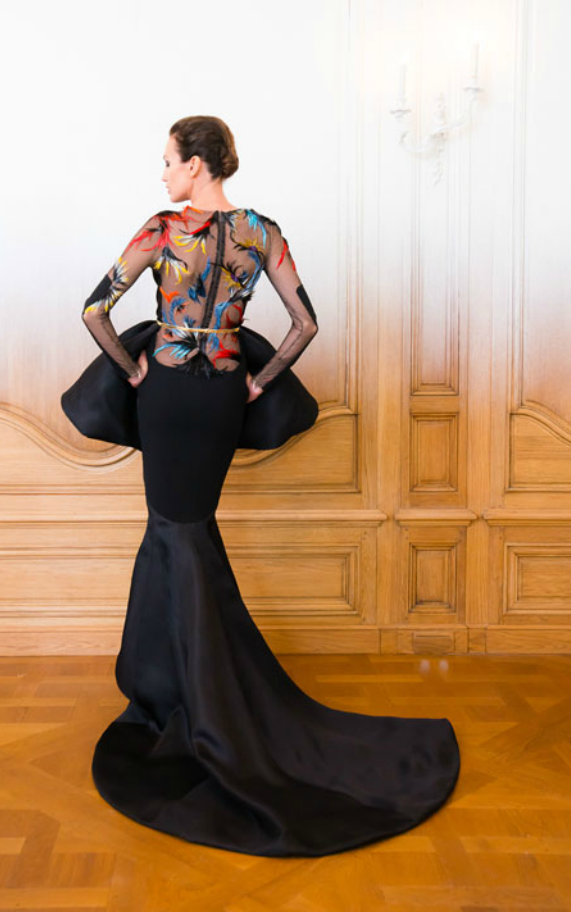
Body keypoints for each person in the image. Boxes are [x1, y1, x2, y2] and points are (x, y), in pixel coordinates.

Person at [69, 115, 460, 857]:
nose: (162, 173)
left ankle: (200, 705)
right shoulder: (262, 233)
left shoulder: (162, 229)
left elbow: (94, 311)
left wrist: (135, 371)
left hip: (169, 395)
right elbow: (304, 323)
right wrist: (256, 382)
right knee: (184, 530)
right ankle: (191, 692)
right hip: (221, 395)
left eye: (168, 161)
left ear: (196, 164)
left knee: (174, 532)